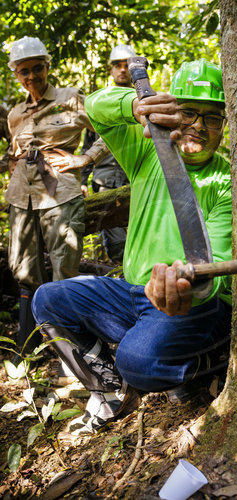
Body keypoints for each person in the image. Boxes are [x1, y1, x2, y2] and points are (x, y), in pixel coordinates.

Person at [32, 59, 232, 435]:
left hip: (193, 306)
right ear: (169, 112)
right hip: (133, 293)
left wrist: (189, 283)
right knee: (48, 299)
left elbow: (217, 268)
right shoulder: (147, 152)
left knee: (138, 361)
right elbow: (95, 106)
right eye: (188, 112)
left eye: (212, 118)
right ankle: (110, 389)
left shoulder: (225, 180)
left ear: (224, 124)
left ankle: (207, 361)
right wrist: (136, 106)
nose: (199, 127)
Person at [5, 36, 110, 354]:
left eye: (37, 68)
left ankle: (83, 354)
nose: (32, 76)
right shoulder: (15, 113)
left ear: (47, 66)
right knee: (23, 270)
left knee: (66, 274)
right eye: (24, 71)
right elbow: (14, 152)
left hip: (60, 197)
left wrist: (85, 159)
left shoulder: (71, 98)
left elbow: (107, 130)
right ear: (16, 75)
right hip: (21, 199)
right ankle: (36, 348)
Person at [80, 44, 137, 263]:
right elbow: (88, 146)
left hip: (135, 178)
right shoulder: (99, 103)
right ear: (111, 71)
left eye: (127, 66)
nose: (122, 70)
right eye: (117, 66)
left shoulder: (144, 100)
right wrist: (83, 180)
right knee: (115, 243)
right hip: (106, 181)